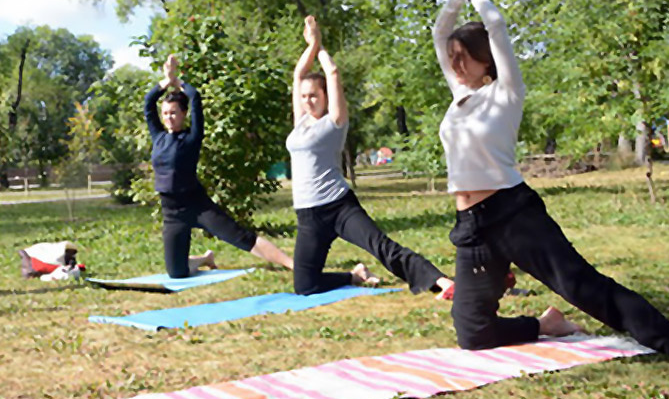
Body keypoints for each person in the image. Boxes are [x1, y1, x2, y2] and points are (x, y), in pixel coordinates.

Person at [434, 0, 669, 382]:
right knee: (472, 332)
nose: (454, 63)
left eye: (462, 56)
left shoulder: (506, 92)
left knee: (582, 285)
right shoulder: (458, 99)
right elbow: (440, 31)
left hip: (512, 215)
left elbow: (496, 24)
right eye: (451, 57)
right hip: (471, 225)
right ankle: (547, 326)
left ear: (486, 59)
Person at [288, 18, 454, 297]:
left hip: (338, 206)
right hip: (308, 215)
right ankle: (354, 276)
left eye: (314, 96)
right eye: (304, 97)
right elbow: (298, 75)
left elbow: (334, 72)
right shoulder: (301, 123)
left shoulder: (335, 122)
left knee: (382, 246)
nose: (307, 101)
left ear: (326, 97)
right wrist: (311, 45)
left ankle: (440, 281)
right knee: (304, 286)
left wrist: (321, 48)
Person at [145, 54, 295, 278]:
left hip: (197, 205)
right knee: (176, 273)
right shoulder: (158, 137)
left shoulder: (191, 137)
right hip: (171, 211)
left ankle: (293, 264)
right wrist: (165, 82)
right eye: (165, 113)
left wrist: (179, 83)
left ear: (184, 114)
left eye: (174, 113)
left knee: (241, 237)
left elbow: (194, 98)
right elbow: (148, 103)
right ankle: (206, 258)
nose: (168, 117)